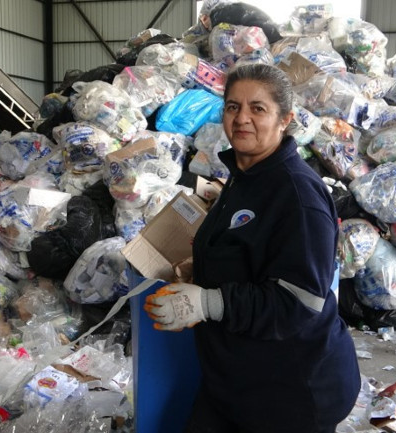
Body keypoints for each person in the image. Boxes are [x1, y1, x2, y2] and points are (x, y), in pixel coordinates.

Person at [145, 63, 360, 433]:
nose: (242, 118)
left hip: (289, 391)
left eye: (257, 109)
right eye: (232, 107)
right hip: (236, 380)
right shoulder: (245, 176)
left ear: (284, 120)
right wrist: (203, 269)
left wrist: (205, 302)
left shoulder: (295, 195)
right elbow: (250, 251)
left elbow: (300, 301)